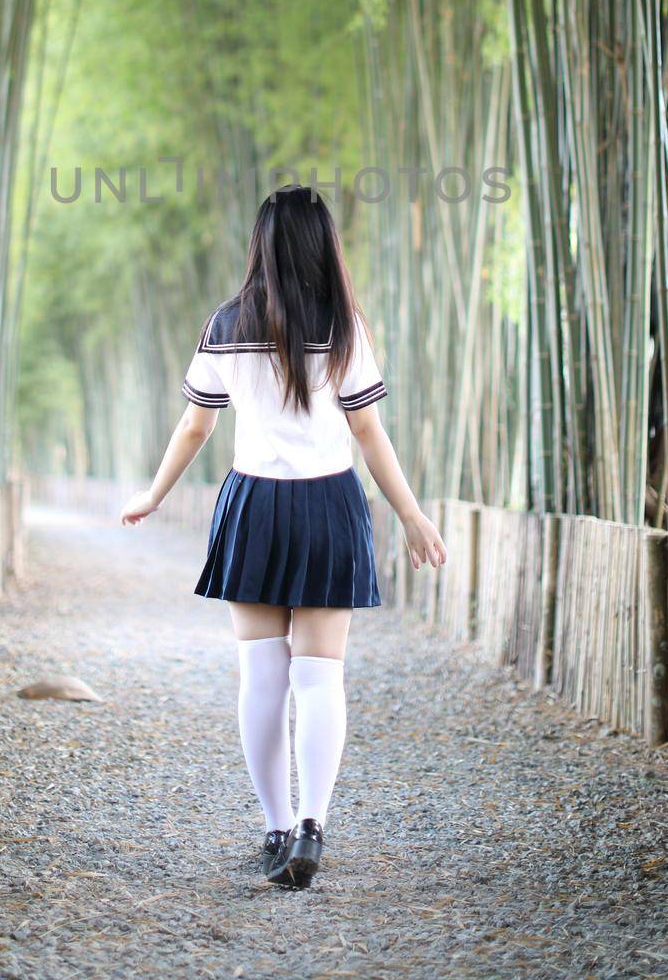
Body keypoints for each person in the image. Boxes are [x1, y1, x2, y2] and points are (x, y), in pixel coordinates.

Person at [120, 184, 446, 889]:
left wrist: (153, 494)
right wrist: (412, 514)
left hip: (254, 506)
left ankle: (273, 826)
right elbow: (368, 431)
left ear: (261, 245)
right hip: (329, 503)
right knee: (320, 675)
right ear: (323, 244)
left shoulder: (225, 322)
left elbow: (194, 426)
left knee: (262, 676)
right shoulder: (345, 325)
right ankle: (311, 826)